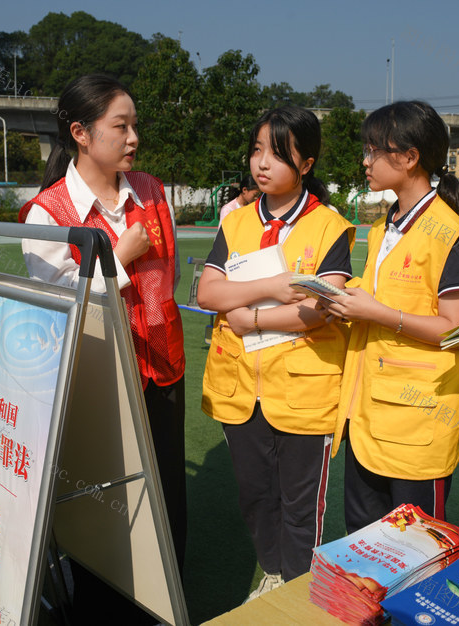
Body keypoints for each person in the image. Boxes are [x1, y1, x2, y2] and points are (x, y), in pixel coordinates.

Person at [18, 73, 186, 621]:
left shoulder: (154, 192)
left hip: (161, 370)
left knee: (164, 496)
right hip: (97, 380)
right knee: (102, 502)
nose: (134, 136)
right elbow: (56, 300)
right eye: (121, 125)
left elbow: (172, 276)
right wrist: (119, 258)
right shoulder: (47, 212)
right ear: (81, 133)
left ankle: (166, 604)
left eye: (135, 124)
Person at [198, 106, 354, 599]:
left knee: (300, 501)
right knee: (255, 494)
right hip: (241, 386)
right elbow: (207, 293)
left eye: (277, 154)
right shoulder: (238, 222)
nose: (261, 164)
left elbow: (322, 308)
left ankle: (295, 586)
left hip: (304, 392)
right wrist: (275, 288)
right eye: (256, 150)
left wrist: (252, 317)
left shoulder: (330, 227)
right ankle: (273, 571)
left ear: (306, 164)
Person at [323, 101, 459, 532]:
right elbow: (383, 302)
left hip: (417, 421)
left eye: (374, 151)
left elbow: (455, 328)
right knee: (365, 541)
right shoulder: (386, 225)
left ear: (410, 159)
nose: (365, 161)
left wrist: (377, 312)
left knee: (415, 549)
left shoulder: (446, 231)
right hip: (367, 412)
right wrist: (348, 303)